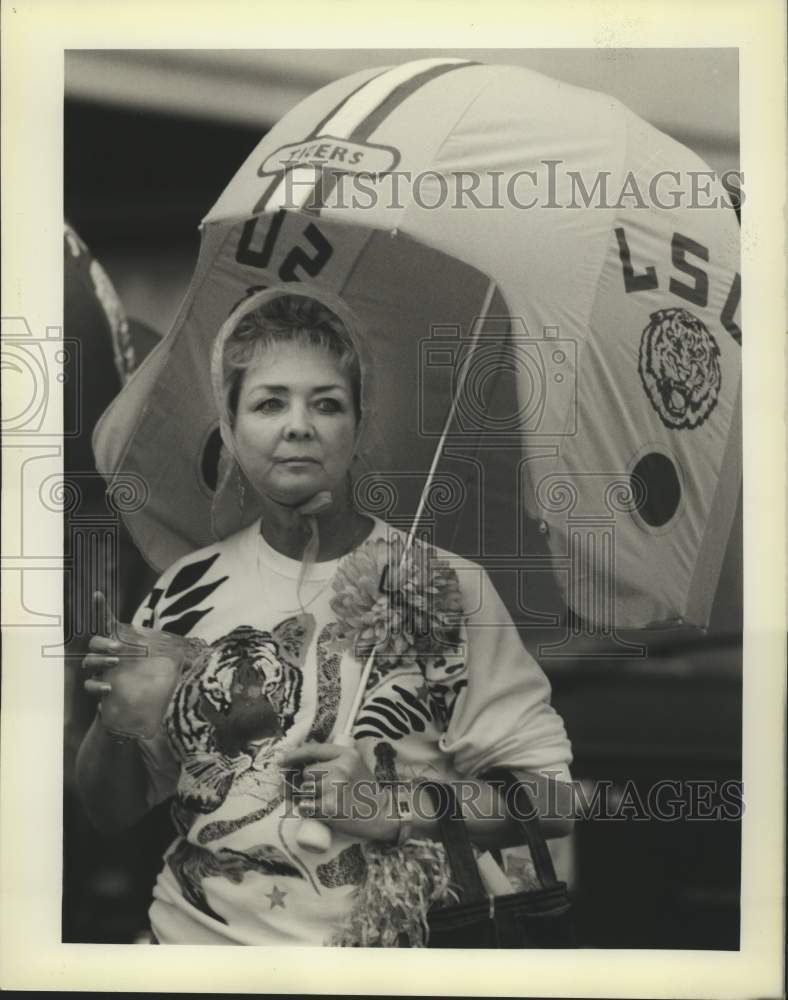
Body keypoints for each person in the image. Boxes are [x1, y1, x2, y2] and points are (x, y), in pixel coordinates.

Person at [76, 288, 574, 946]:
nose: (298, 425)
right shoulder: (184, 588)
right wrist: (115, 725)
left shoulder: (446, 587)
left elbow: (553, 800)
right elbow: (108, 816)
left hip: (378, 963)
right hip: (189, 952)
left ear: (361, 427)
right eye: (268, 402)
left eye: (327, 403)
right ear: (228, 428)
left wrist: (395, 805)